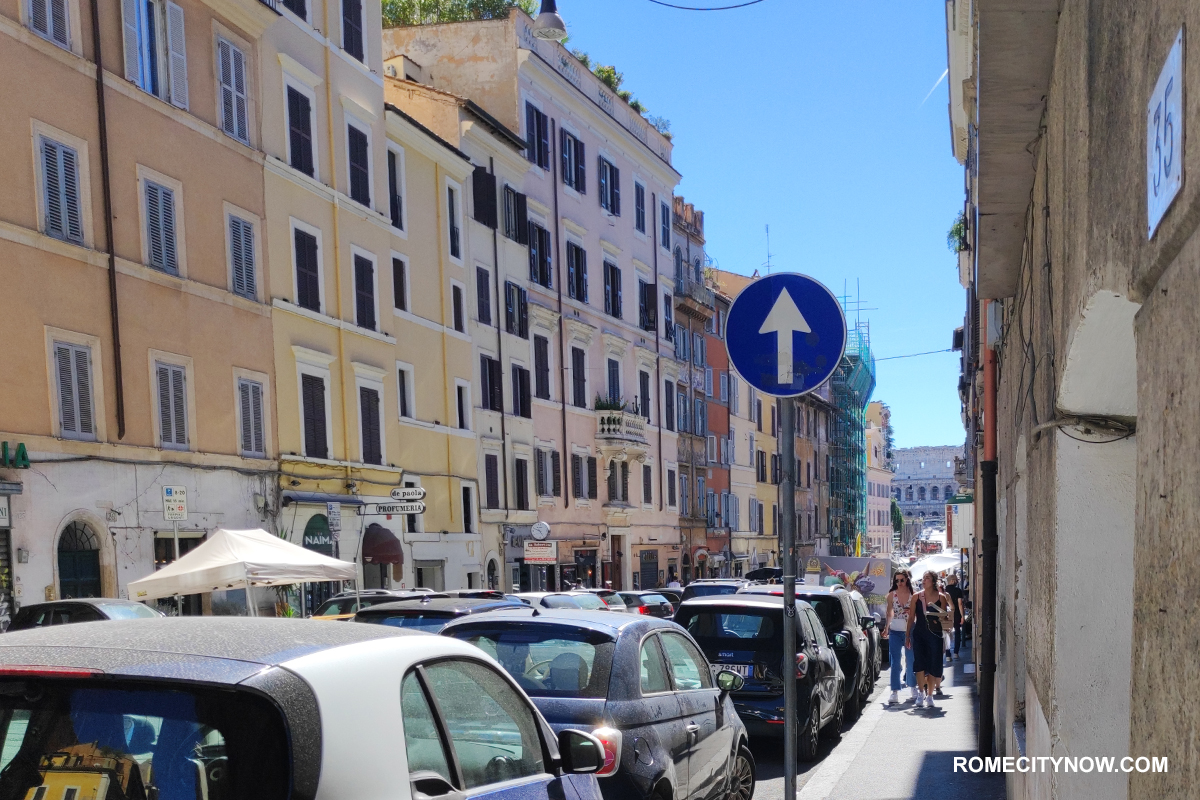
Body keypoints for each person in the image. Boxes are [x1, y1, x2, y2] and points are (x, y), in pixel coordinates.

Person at [906, 570, 952, 709]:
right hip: (919, 634)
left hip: (935, 635)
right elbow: (911, 617)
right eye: (923, 578)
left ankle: (930, 695)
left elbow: (944, 617)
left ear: (933, 581)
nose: (924, 580)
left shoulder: (941, 597)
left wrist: (942, 614)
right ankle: (921, 693)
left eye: (927, 578)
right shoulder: (916, 597)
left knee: (933, 665)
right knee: (919, 664)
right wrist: (907, 635)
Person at [884, 569, 916, 705]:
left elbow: (919, 614)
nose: (899, 583)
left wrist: (912, 611)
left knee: (911, 660)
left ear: (907, 579)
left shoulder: (914, 595)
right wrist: (886, 628)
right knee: (895, 662)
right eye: (897, 580)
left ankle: (912, 687)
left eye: (902, 580)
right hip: (895, 631)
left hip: (910, 630)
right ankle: (895, 691)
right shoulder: (891, 595)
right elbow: (889, 613)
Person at [946, 573, 965, 659]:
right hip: (956, 613)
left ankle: (947, 655)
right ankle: (956, 653)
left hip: (946, 614)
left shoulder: (944, 590)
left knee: (946, 634)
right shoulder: (958, 590)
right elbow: (960, 603)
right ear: (953, 581)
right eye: (956, 580)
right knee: (957, 632)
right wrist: (962, 616)